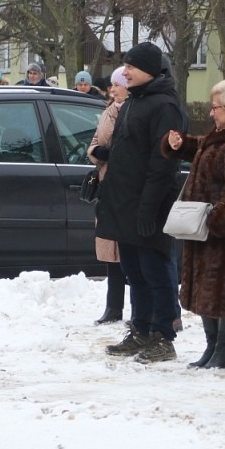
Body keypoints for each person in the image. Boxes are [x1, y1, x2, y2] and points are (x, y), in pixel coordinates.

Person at [96, 43, 187, 363]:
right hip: (124, 203)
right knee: (134, 271)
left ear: (149, 69)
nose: (125, 71)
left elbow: (162, 163)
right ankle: (142, 329)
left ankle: (163, 335)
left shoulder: (164, 105)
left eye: (131, 66)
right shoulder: (135, 100)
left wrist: (149, 207)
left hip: (149, 205)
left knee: (155, 270)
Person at [162, 78, 225, 370]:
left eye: (215, 107)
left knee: (223, 292)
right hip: (205, 229)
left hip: (222, 232)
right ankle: (211, 346)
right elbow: (202, 147)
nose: (211, 112)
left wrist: (218, 221)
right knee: (205, 289)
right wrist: (180, 144)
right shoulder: (220, 136)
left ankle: (224, 349)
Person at [87, 66, 131, 325]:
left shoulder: (132, 110)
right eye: (112, 85)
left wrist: (111, 153)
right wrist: (97, 152)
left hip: (124, 186)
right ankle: (113, 307)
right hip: (107, 186)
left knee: (129, 254)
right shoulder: (108, 111)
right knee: (110, 253)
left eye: (118, 84)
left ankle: (138, 310)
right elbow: (94, 140)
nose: (113, 89)